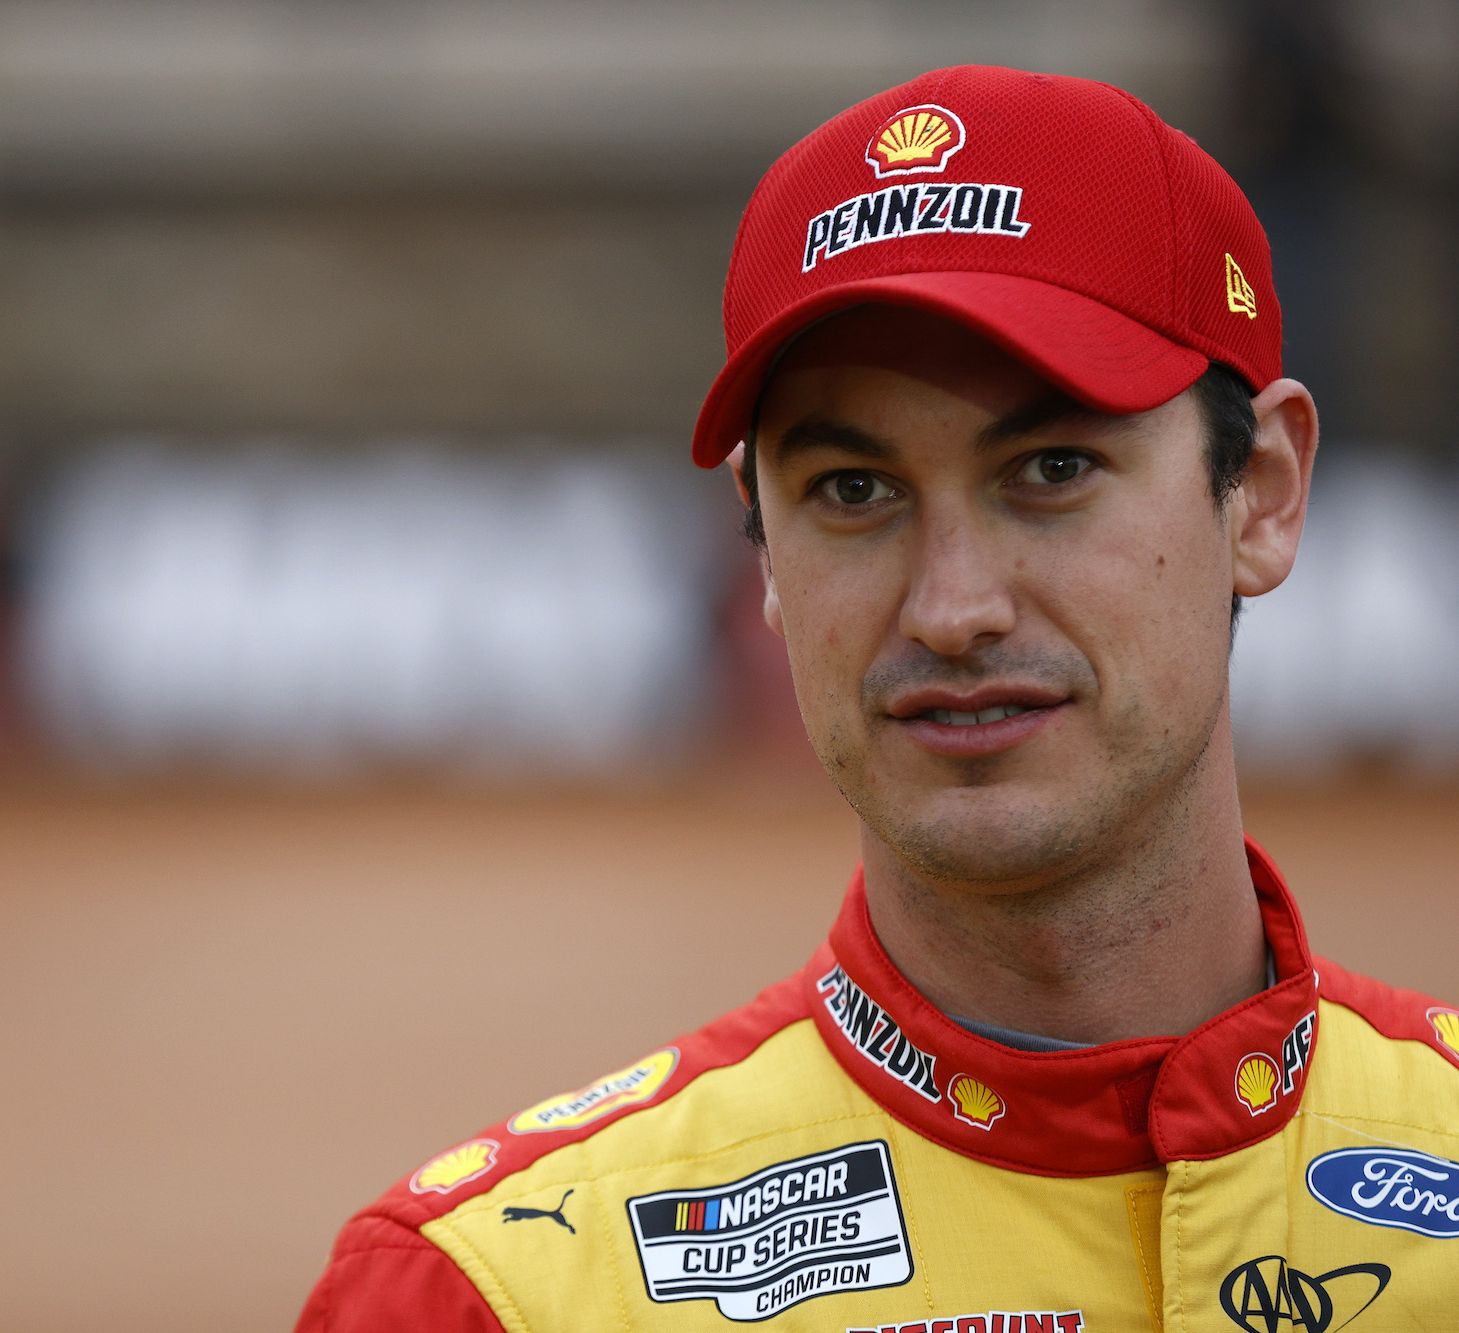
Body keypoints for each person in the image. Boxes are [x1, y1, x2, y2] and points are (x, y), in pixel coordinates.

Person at [296, 65, 1459, 1332]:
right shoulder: (488, 1293)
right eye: (852, 491)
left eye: (1051, 468)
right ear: (762, 552)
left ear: (1266, 493)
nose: (951, 608)